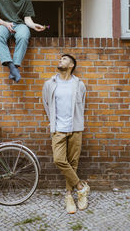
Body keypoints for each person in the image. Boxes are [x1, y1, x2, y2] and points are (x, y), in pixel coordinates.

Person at [42, 54, 90, 214]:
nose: (60, 60)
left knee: (73, 162)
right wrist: (54, 122)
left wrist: (77, 122)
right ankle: (81, 187)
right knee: (59, 159)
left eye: (64, 59)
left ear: (71, 65)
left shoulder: (79, 84)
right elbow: (46, 104)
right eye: (60, 59)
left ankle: (69, 195)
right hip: (58, 129)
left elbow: (81, 105)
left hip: (75, 127)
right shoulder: (50, 84)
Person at [0, 0, 46, 82]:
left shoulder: (26, 0)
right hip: (4, 24)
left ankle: (14, 67)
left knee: (24, 35)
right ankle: (12, 66)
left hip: (20, 25)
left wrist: (34, 26)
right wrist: (5, 24)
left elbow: (27, 20)